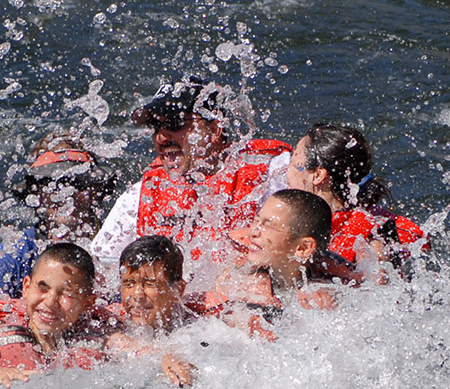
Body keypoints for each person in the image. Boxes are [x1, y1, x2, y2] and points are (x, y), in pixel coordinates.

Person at [91, 77, 291, 267]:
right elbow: (102, 269)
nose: (161, 137)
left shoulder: (273, 172)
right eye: (155, 127)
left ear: (214, 128)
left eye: (174, 124)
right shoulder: (140, 195)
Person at [0, 134, 117, 309]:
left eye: (79, 183)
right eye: (55, 183)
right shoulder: (18, 250)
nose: (67, 193)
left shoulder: (114, 245)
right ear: (37, 193)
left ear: (95, 190)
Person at [0, 243, 111, 388]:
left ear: (88, 303)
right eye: (42, 287)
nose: (50, 302)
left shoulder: (102, 335)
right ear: (26, 287)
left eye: (67, 294)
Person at [205, 190, 348, 340]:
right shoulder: (238, 277)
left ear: (303, 248)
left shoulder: (323, 296)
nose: (253, 232)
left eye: (269, 226)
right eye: (256, 220)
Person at [285, 124, 428, 273]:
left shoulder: (371, 243)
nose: (285, 171)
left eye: (294, 164)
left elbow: (379, 292)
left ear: (318, 175)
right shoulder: (300, 220)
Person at [104, 235, 198, 386]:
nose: (138, 295)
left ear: (177, 290)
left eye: (150, 284)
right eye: (129, 283)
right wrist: (161, 357)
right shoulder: (113, 318)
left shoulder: (196, 328)